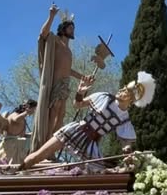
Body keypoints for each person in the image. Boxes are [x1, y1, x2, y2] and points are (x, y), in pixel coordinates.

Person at [19, 71, 156, 170]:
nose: (121, 89)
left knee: (98, 173)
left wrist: (127, 149)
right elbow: (77, 104)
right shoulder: (104, 97)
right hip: (75, 130)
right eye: (123, 87)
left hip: (91, 144)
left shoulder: (124, 119)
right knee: (39, 155)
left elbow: (125, 141)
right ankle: (16, 175)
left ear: (131, 99)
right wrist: (80, 92)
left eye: (125, 90)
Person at [30, 4, 94, 152]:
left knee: (61, 115)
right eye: (70, 28)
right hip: (55, 84)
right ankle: (44, 146)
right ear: (63, 29)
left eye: (73, 28)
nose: (73, 30)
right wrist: (51, 16)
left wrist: (82, 77)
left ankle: (51, 147)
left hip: (65, 85)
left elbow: (67, 69)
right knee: (53, 113)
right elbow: (43, 33)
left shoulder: (69, 51)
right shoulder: (55, 41)